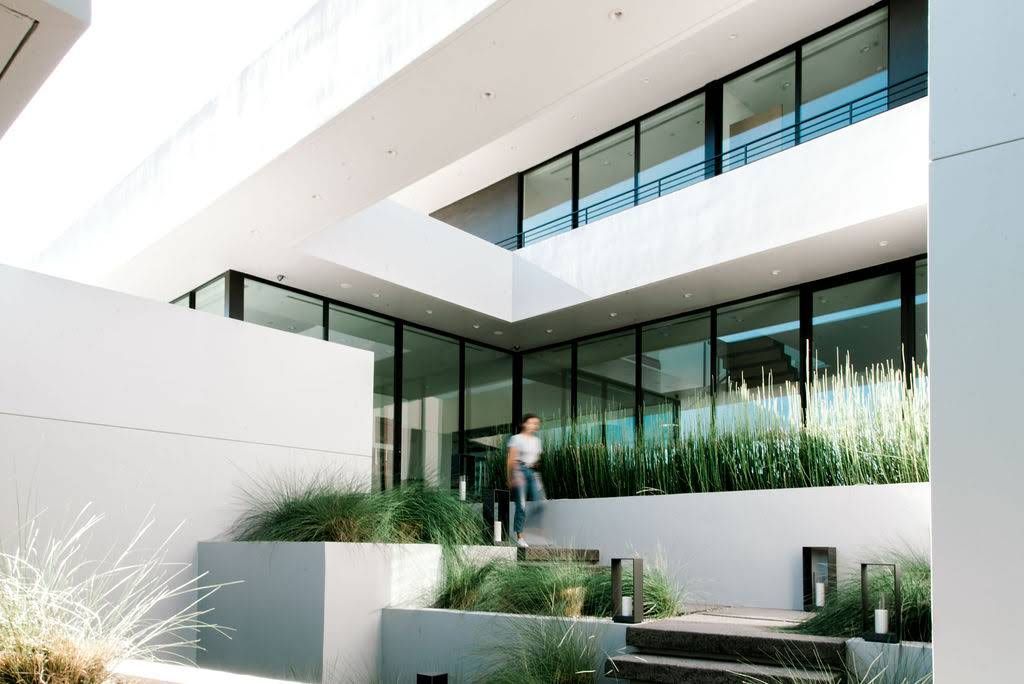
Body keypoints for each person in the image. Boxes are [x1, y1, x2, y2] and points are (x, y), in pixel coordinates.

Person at [507, 413, 545, 548]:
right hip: (519, 471)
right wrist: (511, 477)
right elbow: (511, 460)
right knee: (521, 505)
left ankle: (533, 530)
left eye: (536, 424)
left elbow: (536, 460)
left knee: (539, 503)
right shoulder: (516, 439)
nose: (534, 426)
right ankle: (520, 536)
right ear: (524, 424)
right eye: (532, 422)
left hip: (532, 473)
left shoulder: (537, 442)